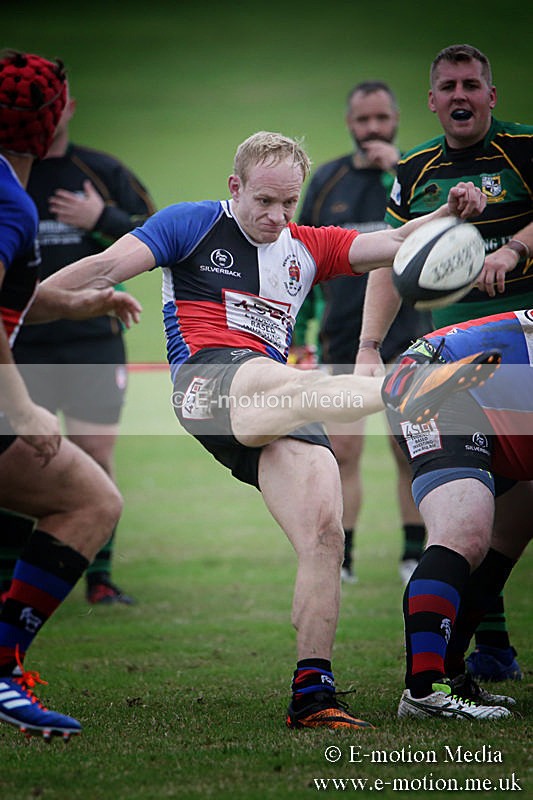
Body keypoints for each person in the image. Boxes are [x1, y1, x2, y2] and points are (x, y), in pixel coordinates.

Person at [42, 129, 493, 730]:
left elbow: (394, 243)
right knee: (265, 378)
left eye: (288, 202)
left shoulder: (305, 246)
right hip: (209, 383)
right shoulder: (190, 223)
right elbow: (103, 265)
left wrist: (446, 213)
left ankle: (314, 693)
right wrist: (23, 304)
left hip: (282, 400)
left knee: (324, 530)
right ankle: (397, 388)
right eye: (264, 201)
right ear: (236, 187)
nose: (277, 216)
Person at [357, 43, 533, 681]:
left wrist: (512, 250)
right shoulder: (415, 169)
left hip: (524, 357)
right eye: (448, 87)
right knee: (470, 513)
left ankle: (467, 655)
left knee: (510, 521)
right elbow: (389, 257)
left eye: (472, 84)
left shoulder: (526, 147)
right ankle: (478, 653)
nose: (461, 95)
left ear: (491, 93)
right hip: (454, 367)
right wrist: (369, 349)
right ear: (432, 101)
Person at [0, 49, 140, 741]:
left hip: (72, 352)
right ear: (52, 115)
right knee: (90, 499)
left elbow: (15, 299)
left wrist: (75, 305)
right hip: (11, 380)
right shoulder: (7, 201)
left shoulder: (20, 190)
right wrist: (22, 406)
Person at [5, 80, 156, 606]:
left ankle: (100, 580)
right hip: (20, 343)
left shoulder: (102, 171)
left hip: (94, 338)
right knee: (20, 458)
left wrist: (101, 221)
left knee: (94, 454)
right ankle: (13, 583)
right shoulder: (11, 179)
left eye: (56, 100)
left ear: (69, 106)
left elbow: (154, 234)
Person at [297, 81, 431, 584]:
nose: (372, 129)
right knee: (343, 452)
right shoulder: (327, 180)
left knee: (409, 448)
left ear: (396, 118)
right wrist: (300, 331)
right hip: (341, 340)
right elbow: (302, 261)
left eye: (381, 118)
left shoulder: (416, 173)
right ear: (349, 123)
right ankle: (344, 559)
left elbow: (444, 244)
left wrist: (400, 168)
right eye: (363, 120)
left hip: (413, 336)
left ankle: (414, 555)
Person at [382, 309, 532, 719]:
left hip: (485, 396)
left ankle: (452, 671)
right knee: (463, 531)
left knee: (517, 519)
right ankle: (425, 691)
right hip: (436, 382)